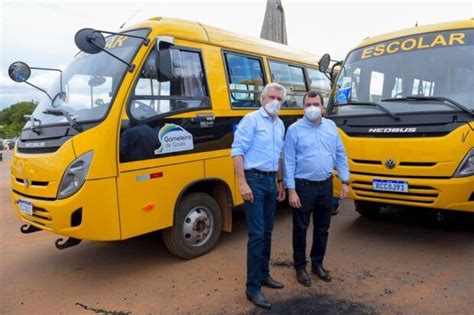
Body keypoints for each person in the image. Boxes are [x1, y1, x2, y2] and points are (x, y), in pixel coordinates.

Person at [283, 90, 350, 287]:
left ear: (322, 107)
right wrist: (291, 190)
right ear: (303, 107)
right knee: (300, 229)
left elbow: (340, 153)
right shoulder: (294, 130)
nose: (312, 108)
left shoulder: (331, 127)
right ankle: (300, 267)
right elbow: (288, 161)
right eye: (308, 104)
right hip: (303, 187)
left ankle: (317, 264)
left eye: (315, 104)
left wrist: (345, 180)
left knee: (323, 228)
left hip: (325, 185)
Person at [231, 82, 287, 310]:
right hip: (253, 181)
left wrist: (281, 182)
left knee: (267, 231)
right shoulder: (251, 120)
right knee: (256, 235)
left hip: (271, 181)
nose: (275, 102)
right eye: (271, 97)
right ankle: (252, 287)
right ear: (262, 99)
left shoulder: (280, 124)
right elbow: (237, 151)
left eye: (279, 99)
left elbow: (279, 155)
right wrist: (243, 183)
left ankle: (264, 274)